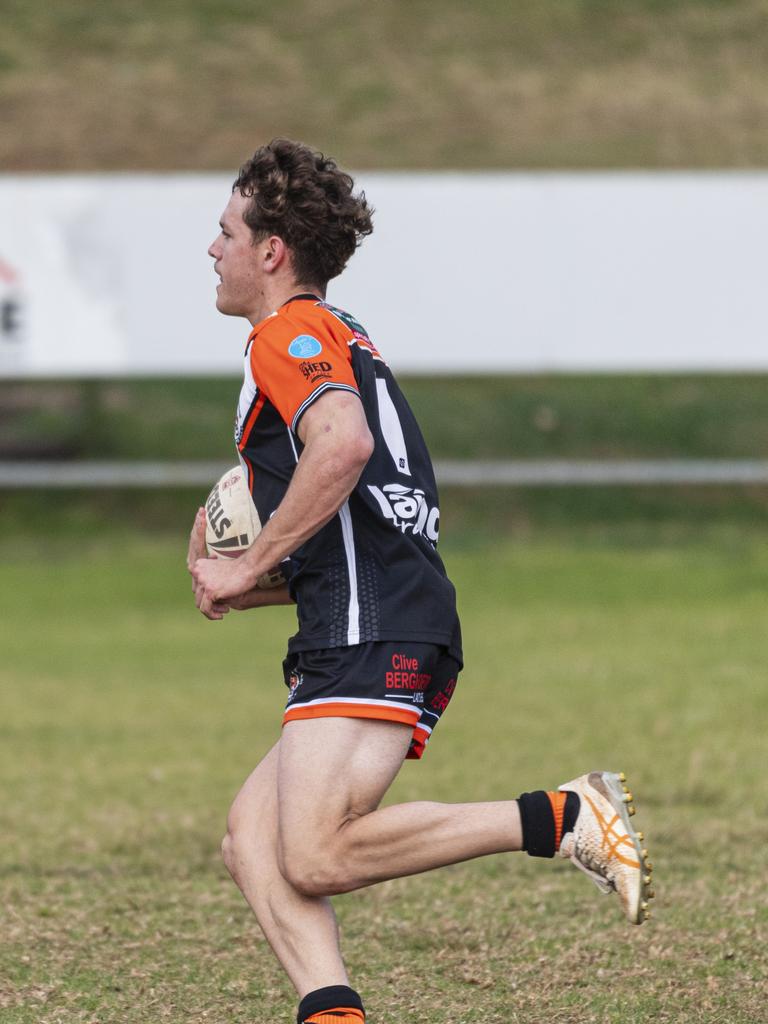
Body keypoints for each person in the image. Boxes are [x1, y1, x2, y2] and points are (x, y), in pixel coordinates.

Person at [189, 139, 654, 1024]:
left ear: (271, 252)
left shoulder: (287, 335)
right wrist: (256, 577)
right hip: (372, 610)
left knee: (317, 854)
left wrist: (248, 560)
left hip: (375, 622)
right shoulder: (339, 335)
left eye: (224, 233)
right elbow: (360, 511)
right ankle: (333, 1012)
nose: (211, 249)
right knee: (256, 839)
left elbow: (346, 449)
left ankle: (562, 816)